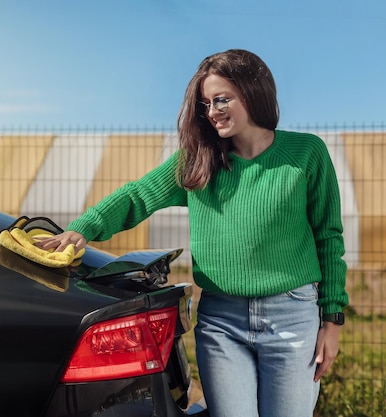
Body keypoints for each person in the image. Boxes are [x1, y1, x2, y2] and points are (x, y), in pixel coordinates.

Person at [36, 49, 348, 417]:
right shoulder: (197, 159)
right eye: (205, 104)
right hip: (222, 321)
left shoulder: (307, 153)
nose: (212, 111)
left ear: (253, 91)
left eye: (221, 99)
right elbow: (138, 195)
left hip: (293, 317)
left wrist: (332, 321)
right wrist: (82, 229)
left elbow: (328, 239)